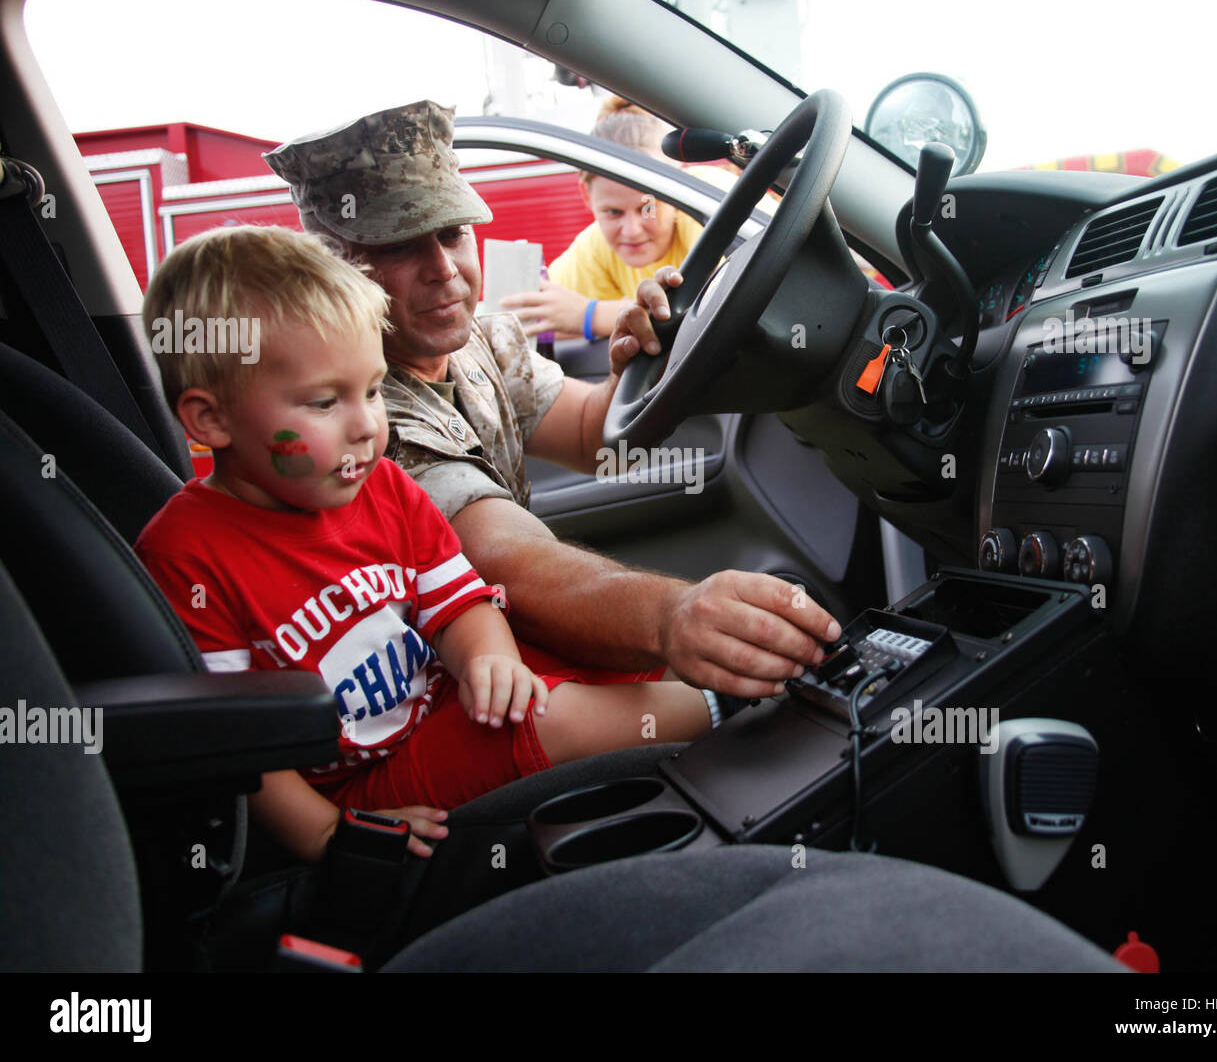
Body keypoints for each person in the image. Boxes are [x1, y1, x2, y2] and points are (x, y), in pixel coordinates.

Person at [134, 226, 715, 862]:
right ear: (211, 419)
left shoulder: (382, 487)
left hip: (435, 699)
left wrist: (488, 659)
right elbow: (237, 748)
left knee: (596, 658)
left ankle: (719, 701)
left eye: (373, 390)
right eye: (326, 402)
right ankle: (732, 713)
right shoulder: (186, 554)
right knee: (547, 718)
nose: (366, 426)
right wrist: (332, 836)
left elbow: (459, 601)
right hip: (356, 783)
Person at [264, 100, 841, 704]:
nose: (444, 270)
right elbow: (507, 564)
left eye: (452, 234)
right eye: (400, 248)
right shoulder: (366, 415)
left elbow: (594, 436)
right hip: (452, 691)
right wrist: (673, 614)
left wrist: (638, 357)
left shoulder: (482, 341)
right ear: (340, 270)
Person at [499, 97, 717, 340]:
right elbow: (529, 318)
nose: (632, 230)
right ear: (586, 196)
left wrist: (589, 315)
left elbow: (715, 306)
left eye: (647, 207)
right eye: (613, 212)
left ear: (677, 185)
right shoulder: (596, 246)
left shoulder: (705, 200)